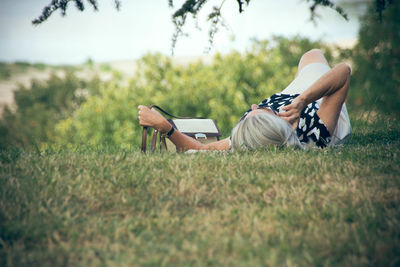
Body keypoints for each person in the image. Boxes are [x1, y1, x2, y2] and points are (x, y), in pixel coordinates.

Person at [138, 49, 352, 151]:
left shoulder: (249, 140)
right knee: (313, 55)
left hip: (294, 97)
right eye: (265, 111)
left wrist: (164, 126)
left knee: (309, 57)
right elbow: (343, 71)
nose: (254, 105)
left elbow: (199, 149)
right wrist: (303, 100)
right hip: (317, 98)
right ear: (280, 124)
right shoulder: (317, 134)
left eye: (252, 112)